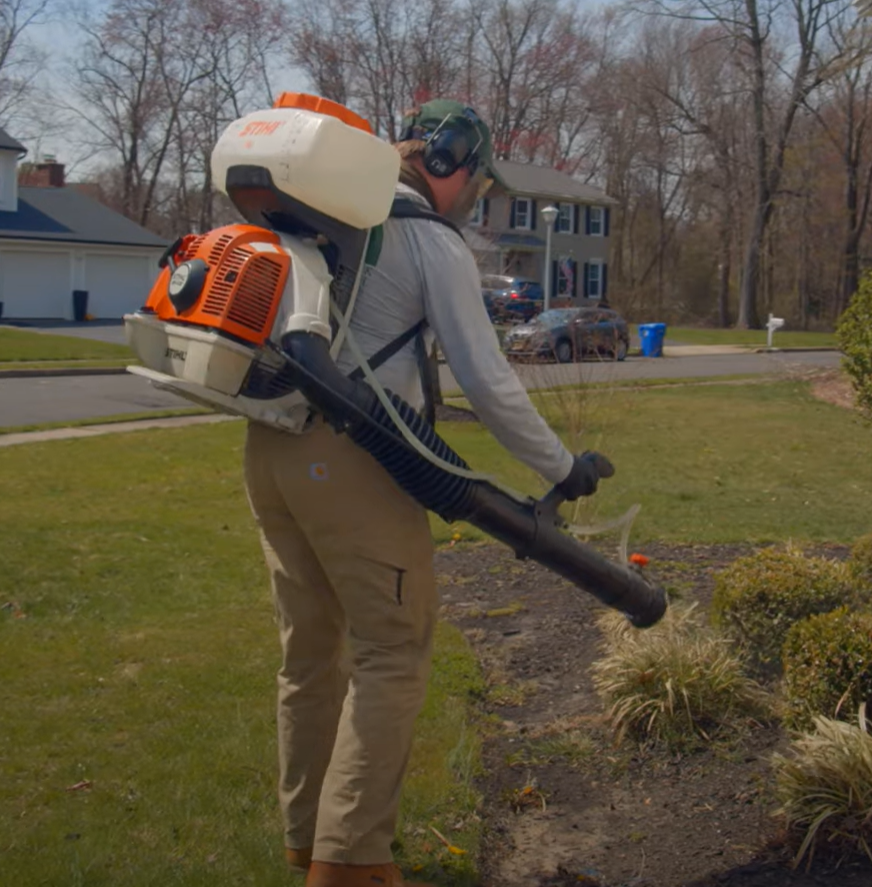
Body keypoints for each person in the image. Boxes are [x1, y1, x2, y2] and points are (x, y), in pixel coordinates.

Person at [242, 99, 607, 887]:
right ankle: (351, 866)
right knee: (393, 650)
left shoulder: (323, 213)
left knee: (308, 656)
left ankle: (306, 845)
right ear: (449, 165)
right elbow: (489, 379)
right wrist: (560, 467)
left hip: (269, 450)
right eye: (476, 178)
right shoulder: (429, 240)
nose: (477, 194)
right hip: (353, 461)